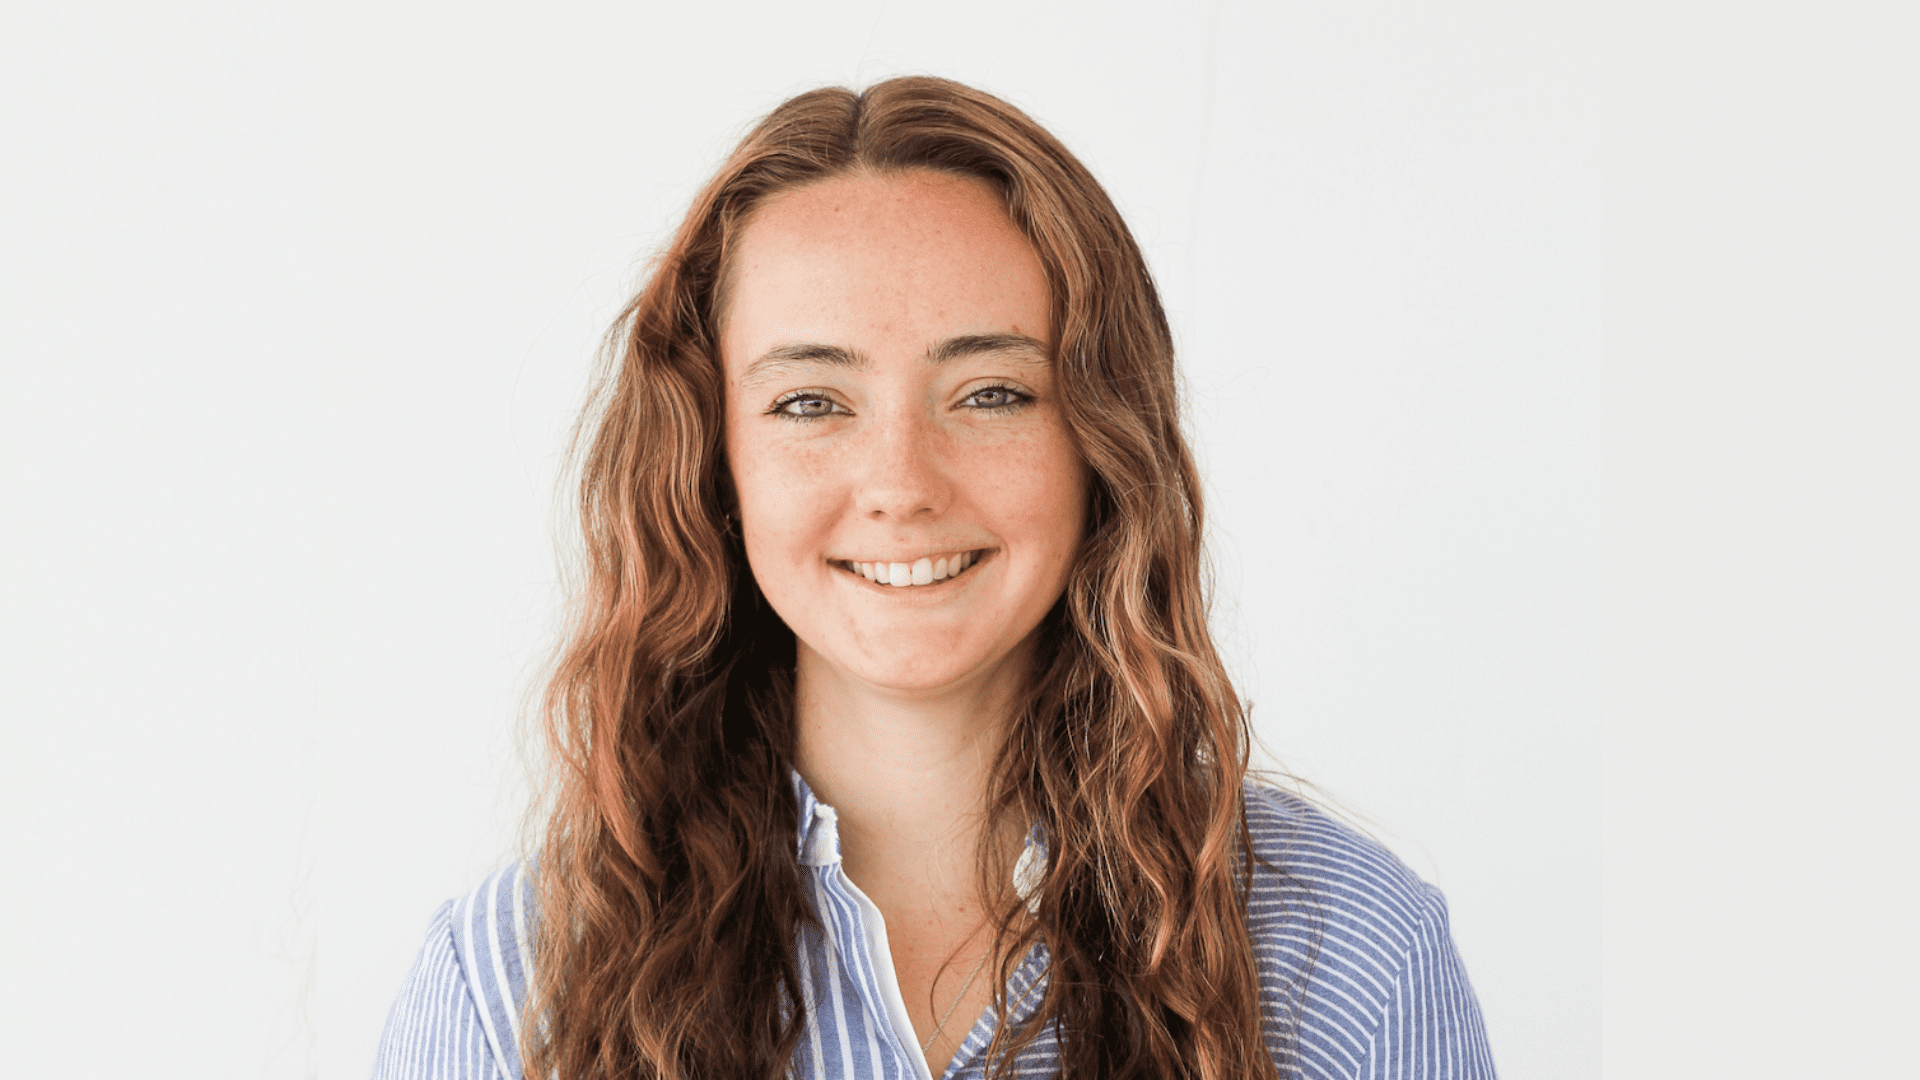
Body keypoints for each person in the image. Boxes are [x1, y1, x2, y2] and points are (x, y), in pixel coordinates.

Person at [373, 76, 1496, 1080]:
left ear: (1101, 446)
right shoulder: (509, 987)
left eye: (992, 393)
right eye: (810, 403)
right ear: (711, 463)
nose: (900, 484)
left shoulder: (1348, 950)